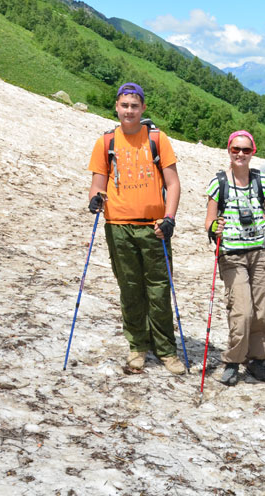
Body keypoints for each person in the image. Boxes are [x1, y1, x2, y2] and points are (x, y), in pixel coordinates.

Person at [87, 82, 185, 375]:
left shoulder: (157, 139)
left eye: (134, 105)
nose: (129, 111)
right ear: (116, 107)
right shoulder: (106, 142)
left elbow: (173, 183)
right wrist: (94, 199)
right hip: (117, 227)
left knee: (158, 290)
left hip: (154, 228)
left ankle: (165, 349)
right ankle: (137, 347)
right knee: (130, 289)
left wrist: (169, 218)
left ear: (142, 108)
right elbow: (97, 183)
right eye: (124, 105)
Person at [205, 130, 265, 386]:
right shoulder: (218, 183)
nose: (240, 154)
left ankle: (258, 359)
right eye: (236, 149)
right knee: (242, 310)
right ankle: (233, 360)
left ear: (253, 152)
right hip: (232, 255)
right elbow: (209, 220)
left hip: (263, 252)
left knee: (262, 311)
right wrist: (212, 228)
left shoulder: (263, 182)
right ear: (229, 150)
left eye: (246, 150)